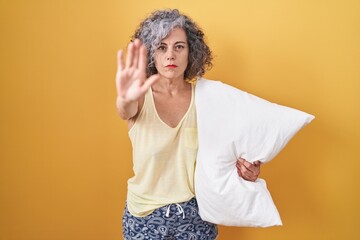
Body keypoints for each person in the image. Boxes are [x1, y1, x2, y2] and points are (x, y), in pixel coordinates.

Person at [116, 9, 261, 240]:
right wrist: (124, 98)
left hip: (196, 217)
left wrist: (247, 172)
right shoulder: (139, 96)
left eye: (179, 46)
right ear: (150, 53)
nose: (170, 55)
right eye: (161, 47)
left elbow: (224, 154)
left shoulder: (207, 99)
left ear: (191, 51)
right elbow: (125, 110)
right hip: (144, 217)